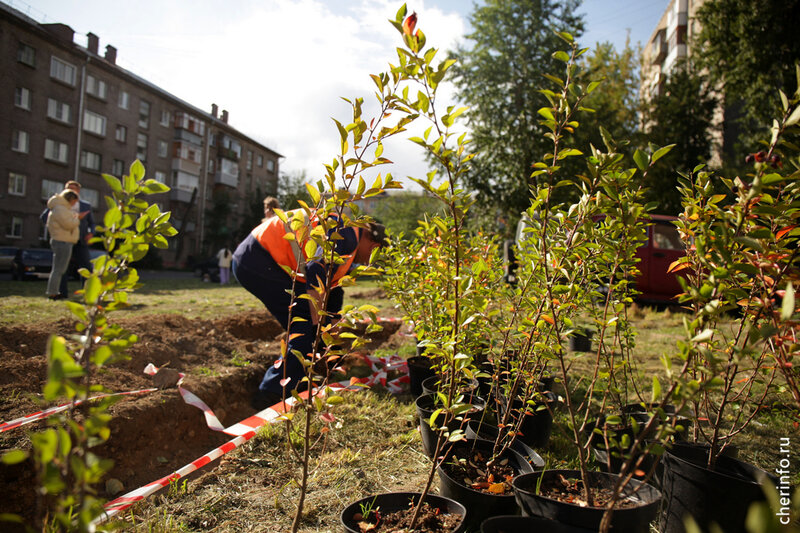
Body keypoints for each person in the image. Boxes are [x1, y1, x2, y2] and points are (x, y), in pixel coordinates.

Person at [233, 209, 387, 409]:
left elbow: (333, 293)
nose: (371, 260)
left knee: (310, 326)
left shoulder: (350, 245)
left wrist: (332, 339)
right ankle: (271, 393)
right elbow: (316, 273)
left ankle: (305, 371)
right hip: (257, 258)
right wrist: (317, 329)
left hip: (263, 258)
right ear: (371, 240)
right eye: (375, 252)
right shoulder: (346, 235)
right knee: (304, 325)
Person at [40, 180, 95, 298]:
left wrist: (91, 233)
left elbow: (91, 223)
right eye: (69, 189)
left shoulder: (85, 205)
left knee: (86, 267)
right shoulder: (59, 205)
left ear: (78, 191)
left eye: (74, 189)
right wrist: (57, 230)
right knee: (62, 268)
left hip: (80, 241)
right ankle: (61, 293)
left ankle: (89, 293)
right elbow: (46, 218)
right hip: (64, 240)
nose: (72, 191)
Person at [45, 189, 86, 300]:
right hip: (62, 242)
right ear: (70, 199)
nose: (74, 204)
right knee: (59, 269)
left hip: (63, 241)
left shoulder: (61, 208)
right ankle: (53, 293)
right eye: (74, 201)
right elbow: (68, 225)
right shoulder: (60, 208)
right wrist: (78, 218)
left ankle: (53, 292)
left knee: (59, 268)